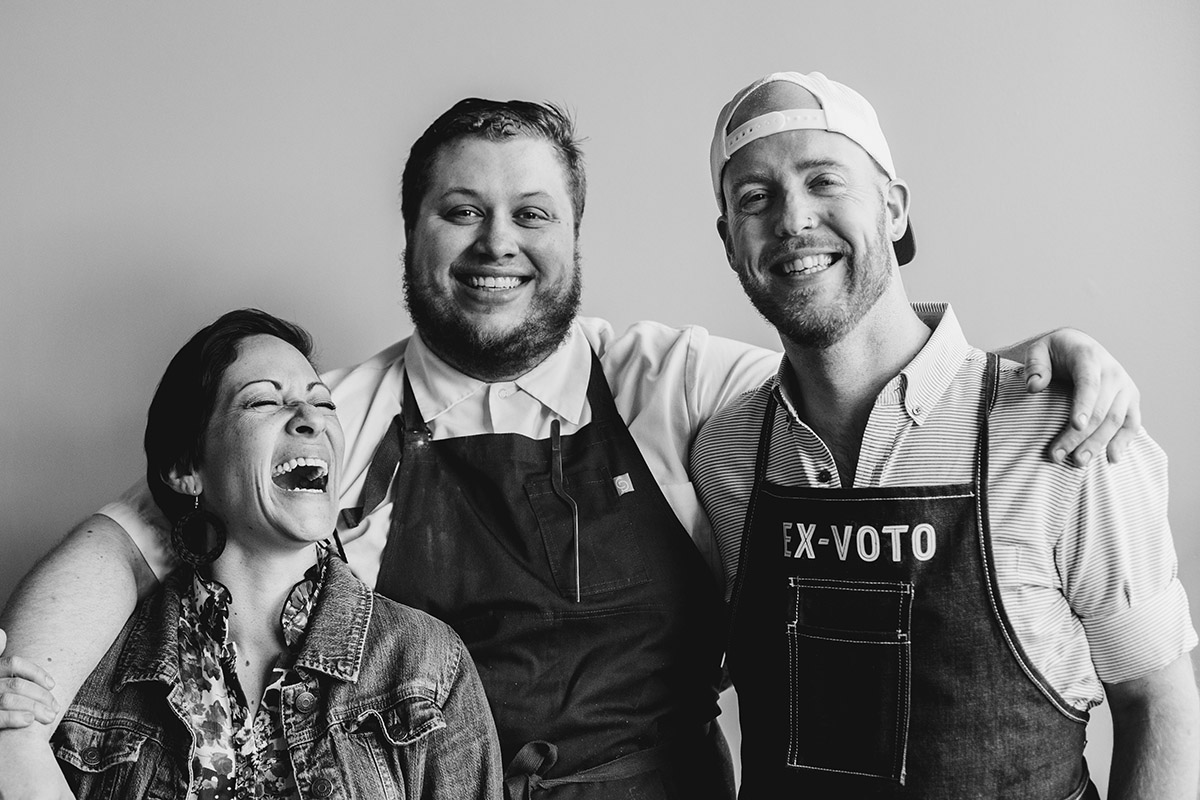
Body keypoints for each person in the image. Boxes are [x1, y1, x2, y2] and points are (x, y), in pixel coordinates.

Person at [0, 99, 1144, 800]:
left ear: (575, 236)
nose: (498, 243)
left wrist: (1024, 368)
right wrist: (13, 716)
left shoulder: (678, 387)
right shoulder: (335, 416)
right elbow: (140, 531)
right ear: (409, 236)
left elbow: (874, 393)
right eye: (461, 211)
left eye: (533, 213)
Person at [691, 71, 1199, 799]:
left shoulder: (1063, 435)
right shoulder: (726, 455)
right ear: (730, 242)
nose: (792, 219)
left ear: (894, 210)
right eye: (754, 198)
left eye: (824, 180)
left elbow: (1161, 704)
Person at [49, 308, 502, 799]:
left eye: (324, 404)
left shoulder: (427, 663)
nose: (311, 419)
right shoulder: (93, 675)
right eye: (264, 401)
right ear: (186, 467)